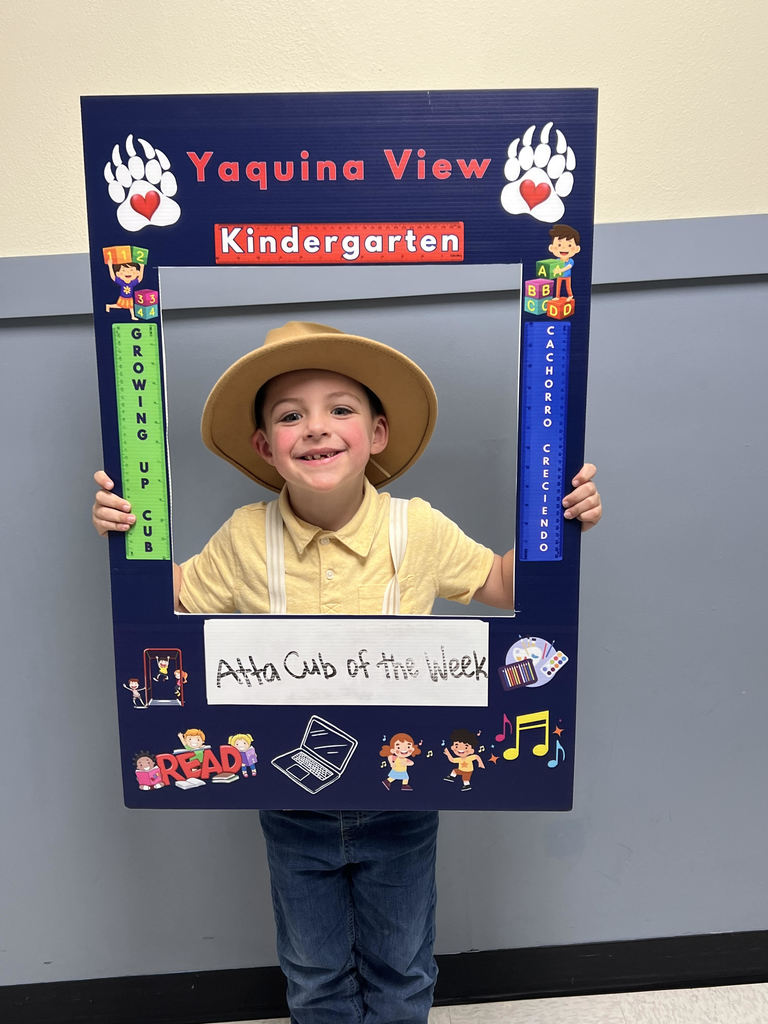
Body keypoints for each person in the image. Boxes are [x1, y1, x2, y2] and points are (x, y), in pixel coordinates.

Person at [93, 321, 601, 1023]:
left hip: (403, 798)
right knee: (313, 973)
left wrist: (558, 518)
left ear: (378, 433)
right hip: (290, 805)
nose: (316, 428)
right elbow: (166, 601)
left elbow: (505, 584)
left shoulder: (415, 529)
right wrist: (128, 532)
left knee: (401, 969)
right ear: (265, 447)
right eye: (290, 415)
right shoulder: (245, 537)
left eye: (340, 409)